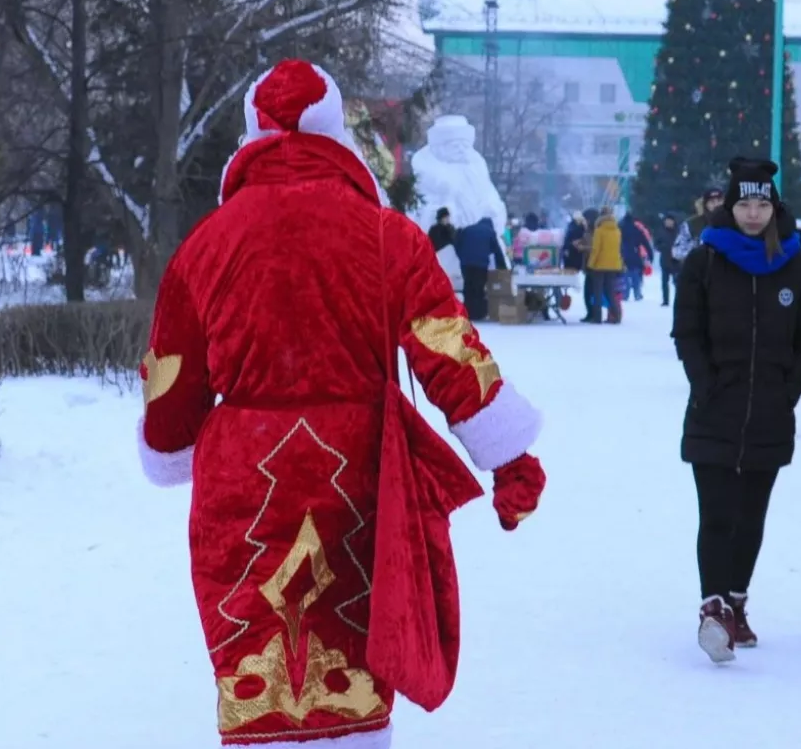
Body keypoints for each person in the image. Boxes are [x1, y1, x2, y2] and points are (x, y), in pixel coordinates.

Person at [137, 60, 547, 748]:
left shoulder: (204, 247)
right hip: (354, 476)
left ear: (252, 135)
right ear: (336, 135)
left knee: (259, 651)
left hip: (246, 481)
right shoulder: (386, 237)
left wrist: (174, 442)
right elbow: (447, 348)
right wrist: (509, 457)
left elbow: (171, 398)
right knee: (349, 648)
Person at [673, 158, 801, 663]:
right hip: (714, 408)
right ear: (730, 207)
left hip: (770, 410)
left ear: (774, 208)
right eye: (744, 203)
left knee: (752, 515)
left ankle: (737, 602)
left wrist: (791, 387)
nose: (754, 213)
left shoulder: (798, 263)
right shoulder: (705, 261)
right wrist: (705, 383)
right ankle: (713, 609)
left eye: (762, 204)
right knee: (716, 512)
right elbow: (687, 332)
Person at [453, 214, 508, 321]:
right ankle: (477, 314)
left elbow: (457, 243)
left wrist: (461, 256)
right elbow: (497, 253)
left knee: (468, 287)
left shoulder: (468, 229)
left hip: (466, 264)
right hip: (480, 265)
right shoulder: (490, 232)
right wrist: (503, 270)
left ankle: (467, 312)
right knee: (478, 289)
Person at [585, 207, 626, 324]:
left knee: (597, 292)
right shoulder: (617, 230)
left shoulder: (599, 230)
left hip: (600, 265)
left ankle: (597, 318)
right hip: (614, 264)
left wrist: (591, 264)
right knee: (610, 292)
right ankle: (616, 316)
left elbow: (596, 249)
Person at [672, 187, 726, 264]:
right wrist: (697, 247)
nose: (716, 204)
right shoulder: (692, 224)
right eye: (712, 202)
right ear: (705, 204)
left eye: (719, 201)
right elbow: (676, 251)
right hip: (700, 271)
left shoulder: (735, 221)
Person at [656, 213, 681, 306]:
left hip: (676, 261)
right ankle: (665, 300)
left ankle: (679, 300)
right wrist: (662, 247)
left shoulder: (678, 231)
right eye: (667, 221)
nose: (669, 223)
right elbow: (656, 244)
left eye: (670, 221)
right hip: (665, 260)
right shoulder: (661, 231)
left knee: (677, 282)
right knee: (664, 283)